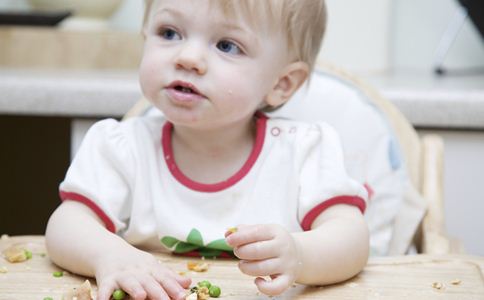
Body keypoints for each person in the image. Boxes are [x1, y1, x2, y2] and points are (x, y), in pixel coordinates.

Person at [45, 0, 370, 299]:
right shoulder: (122, 146)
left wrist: (300, 255)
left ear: (281, 84)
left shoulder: (302, 151)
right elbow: (66, 225)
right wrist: (109, 255)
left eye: (227, 45)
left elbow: (352, 237)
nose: (187, 57)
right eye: (169, 32)